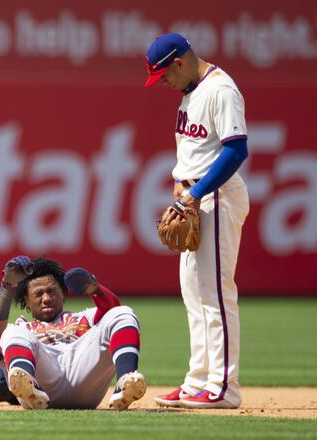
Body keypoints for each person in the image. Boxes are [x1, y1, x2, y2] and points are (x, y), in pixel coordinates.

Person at [144, 33, 250, 409]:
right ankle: (197, 381)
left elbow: (237, 150)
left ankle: (224, 387)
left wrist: (196, 191)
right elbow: (194, 149)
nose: (164, 85)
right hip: (194, 197)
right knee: (194, 293)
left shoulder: (221, 90)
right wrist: (179, 183)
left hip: (215, 196)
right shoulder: (189, 92)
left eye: (164, 77)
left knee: (216, 294)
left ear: (179, 63)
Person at [0, 256, 146, 410]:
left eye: (51, 291)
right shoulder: (22, 328)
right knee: (11, 331)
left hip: (85, 378)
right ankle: (27, 383)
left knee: (122, 312)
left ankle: (127, 381)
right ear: (26, 300)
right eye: (38, 294)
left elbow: (113, 310)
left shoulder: (85, 317)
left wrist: (95, 288)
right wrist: (7, 287)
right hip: (43, 382)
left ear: (63, 293)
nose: (46, 298)